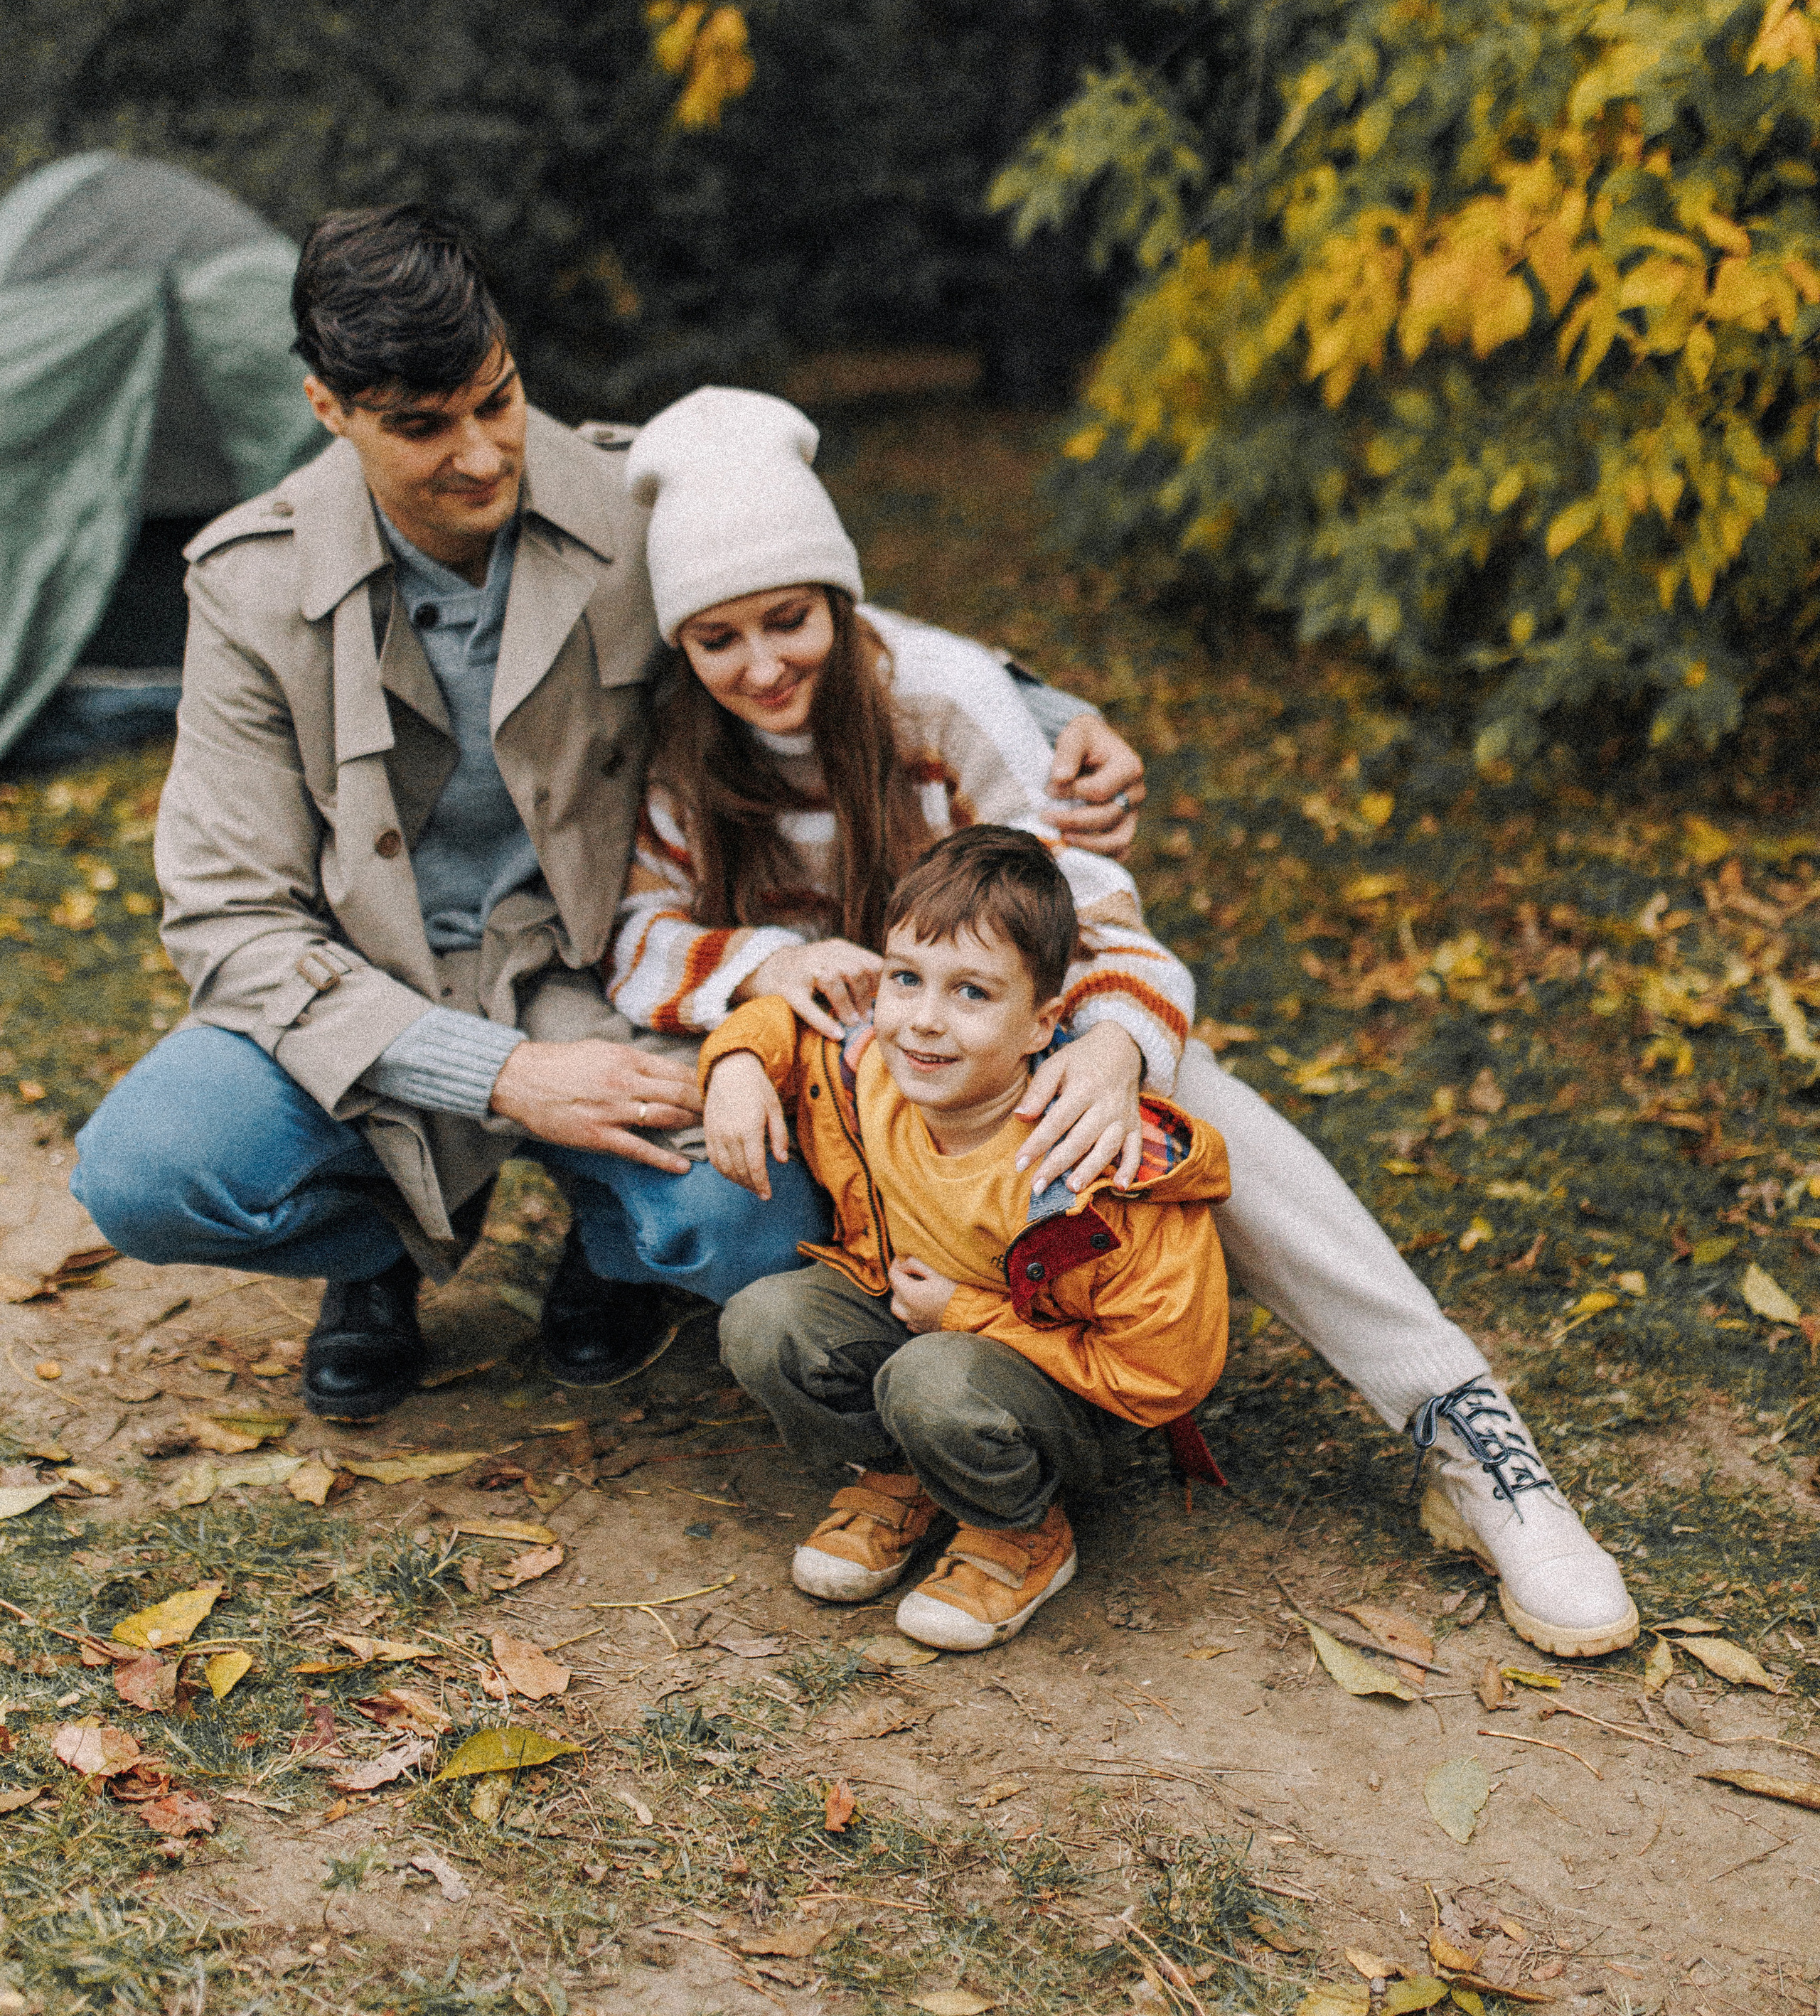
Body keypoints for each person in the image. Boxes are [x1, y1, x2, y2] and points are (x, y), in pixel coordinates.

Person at [68, 208, 1147, 1425]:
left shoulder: (633, 498)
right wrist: (505, 1077)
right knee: (141, 1175)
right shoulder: (248, 585)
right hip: (365, 994)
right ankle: (379, 1253)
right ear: (331, 410)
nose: (481, 455)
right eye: (422, 428)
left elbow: (808, 607)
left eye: (497, 396)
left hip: (602, 974)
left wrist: (1049, 706)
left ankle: (612, 1246)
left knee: (755, 1227)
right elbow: (229, 923)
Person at [612, 387, 1641, 1661]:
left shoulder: (937, 695)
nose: (763, 665)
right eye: (719, 638)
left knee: (1188, 1110)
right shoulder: (684, 752)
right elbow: (641, 938)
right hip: (851, 1075)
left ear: (842, 599)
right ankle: (908, 1455)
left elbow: (1098, 907)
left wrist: (1110, 1048)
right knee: (777, 1278)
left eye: (791, 618)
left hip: (1010, 1032)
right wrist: (767, 974)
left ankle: (1463, 1427)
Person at [704, 826, 1231, 1649]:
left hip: (1062, 1397)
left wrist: (964, 1314)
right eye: (905, 979)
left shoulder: (1095, 1174)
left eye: (972, 994)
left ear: (1040, 1024)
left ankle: (1021, 1529)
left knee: (933, 1377)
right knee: (764, 1321)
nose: (921, 1022)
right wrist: (734, 1064)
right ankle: (902, 1477)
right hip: (922, 1326)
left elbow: (1165, 1374)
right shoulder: (873, 1066)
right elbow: (783, 1022)